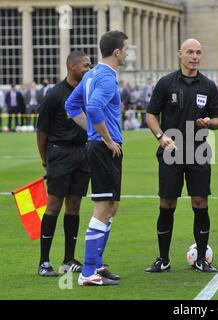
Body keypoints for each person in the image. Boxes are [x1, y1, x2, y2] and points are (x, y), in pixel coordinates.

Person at [145, 38, 218, 273]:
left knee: (200, 202)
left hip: (198, 150)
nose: (194, 56)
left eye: (198, 52)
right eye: (190, 52)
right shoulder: (166, 83)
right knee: (167, 203)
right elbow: (150, 115)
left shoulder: (208, 86)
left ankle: (201, 259)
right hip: (171, 151)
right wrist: (161, 136)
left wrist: (210, 122)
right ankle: (163, 259)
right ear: (180, 54)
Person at [65, 30, 129, 286]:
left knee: (112, 206)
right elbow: (92, 108)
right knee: (103, 207)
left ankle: (97, 266)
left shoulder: (91, 74)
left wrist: (93, 132)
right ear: (117, 52)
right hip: (105, 149)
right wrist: (105, 138)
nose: (127, 52)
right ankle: (88, 271)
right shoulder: (105, 77)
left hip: (102, 147)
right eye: (126, 48)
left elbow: (72, 105)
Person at [36, 51, 91, 277]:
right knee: (54, 205)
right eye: (86, 66)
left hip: (82, 154)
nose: (89, 69)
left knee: (74, 206)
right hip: (59, 154)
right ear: (72, 67)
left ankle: (69, 260)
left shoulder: (88, 92)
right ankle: (44, 262)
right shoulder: (55, 94)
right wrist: (45, 159)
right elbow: (42, 131)